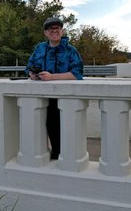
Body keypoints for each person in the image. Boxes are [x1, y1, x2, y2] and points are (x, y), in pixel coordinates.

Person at [25, 17, 84, 160]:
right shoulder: (39, 48)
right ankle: (54, 154)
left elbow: (77, 74)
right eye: (50, 29)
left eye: (57, 28)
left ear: (62, 31)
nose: (54, 31)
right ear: (45, 33)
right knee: (45, 126)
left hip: (65, 97)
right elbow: (28, 67)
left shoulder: (71, 50)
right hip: (43, 96)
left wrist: (52, 77)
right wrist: (32, 74)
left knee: (65, 127)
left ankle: (65, 156)